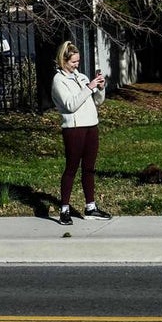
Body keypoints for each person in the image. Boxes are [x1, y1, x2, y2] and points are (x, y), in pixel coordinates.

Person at [50, 40, 110, 225]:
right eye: (73, 62)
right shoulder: (58, 81)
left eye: (78, 61)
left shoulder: (82, 77)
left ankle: (90, 206)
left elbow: (97, 101)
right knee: (71, 168)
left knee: (89, 168)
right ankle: (65, 209)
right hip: (74, 128)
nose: (77, 65)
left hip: (91, 125)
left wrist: (100, 88)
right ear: (64, 60)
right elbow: (71, 105)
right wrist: (89, 87)